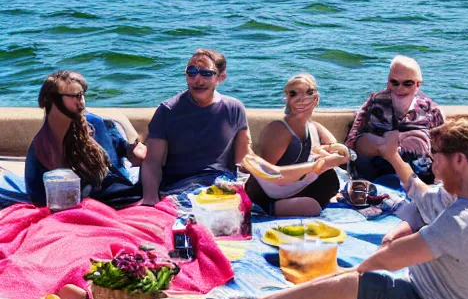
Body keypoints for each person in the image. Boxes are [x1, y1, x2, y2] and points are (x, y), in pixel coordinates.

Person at [204, 115, 468, 299]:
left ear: (458, 160)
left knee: (349, 283)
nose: (432, 162)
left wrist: (350, 277)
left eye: (438, 155)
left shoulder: (462, 220)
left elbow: (392, 258)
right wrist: (392, 156)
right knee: (342, 291)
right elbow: (420, 192)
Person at [141, 49, 251, 205]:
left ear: (221, 77)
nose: (197, 80)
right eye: (191, 72)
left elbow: (243, 159)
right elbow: (152, 162)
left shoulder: (234, 109)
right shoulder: (167, 111)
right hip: (180, 189)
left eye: (206, 73)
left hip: (223, 186)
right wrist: (150, 200)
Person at [25, 70, 146, 209]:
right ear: (53, 100)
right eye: (76, 96)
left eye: (82, 95)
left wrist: (132, 151)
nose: (81, 101)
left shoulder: (96, 124)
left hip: (117, 191)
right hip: (94, 201)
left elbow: (120, 148)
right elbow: (40, 196)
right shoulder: (44, 145)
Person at [245, 73, 349, 217]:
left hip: (296, 186)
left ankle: (286, 207)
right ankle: (268, 208)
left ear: (316, 98)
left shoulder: (314, 127)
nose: (302, 99)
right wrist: (319, 164)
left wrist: (325, 151)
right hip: (269, 191)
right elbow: (267, 174)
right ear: (287, 100)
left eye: (309, 92)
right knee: (314, 199)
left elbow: (342, 153)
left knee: (330, 179)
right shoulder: (279, 130)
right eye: (294, 94)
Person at [345, 55, 444, 183]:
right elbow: (353, 137)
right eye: (394, 82)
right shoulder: (375, 101)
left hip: (416, 172)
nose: (399, 88)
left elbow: (443, 148)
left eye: (407, 83)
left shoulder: (431, 109)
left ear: (418, 84)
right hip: (378, 165)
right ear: (388, 81)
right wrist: (380, 146)